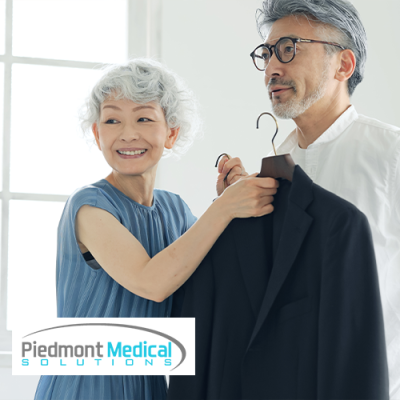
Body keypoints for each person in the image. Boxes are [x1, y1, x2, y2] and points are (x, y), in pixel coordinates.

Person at [33, 58, 279, 400]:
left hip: (148, 388)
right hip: (84, 388)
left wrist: (228, 203)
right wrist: (223, 208)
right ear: (97, 132)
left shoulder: (175, 210)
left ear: (171, 133)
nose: (127, 133)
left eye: (144, 118)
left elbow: (204, 279)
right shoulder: (88, 207)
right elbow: (153, 282)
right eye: (112, 119)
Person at [218, 0, 399, 397]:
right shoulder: (274, 171)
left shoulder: (392, 155)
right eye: (266, 54)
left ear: (343, 65)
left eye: (288, 49)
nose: (271, 68)